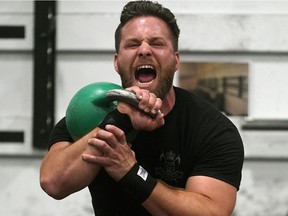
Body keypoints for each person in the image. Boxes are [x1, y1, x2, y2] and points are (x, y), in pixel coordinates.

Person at [40, 1, 244, 215]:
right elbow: (54, 182)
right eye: (132, 44)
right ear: (117, 62)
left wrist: (129, 171)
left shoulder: (211, 129)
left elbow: (211, 212)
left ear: (176, 61)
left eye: (156, 43)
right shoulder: (91, 113)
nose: (144, 50)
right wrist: (119, 121)